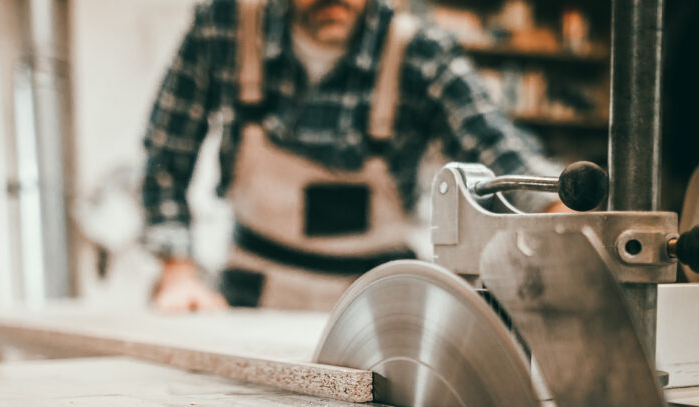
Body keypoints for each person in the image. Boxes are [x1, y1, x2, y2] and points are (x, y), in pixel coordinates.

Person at [142, 0, 564, 312]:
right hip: (250, 290)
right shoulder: (224, 30)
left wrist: (561, 214)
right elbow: (166, 154)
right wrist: (177, 270)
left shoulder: (421, 51)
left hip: (378, 297)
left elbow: (506, 156)